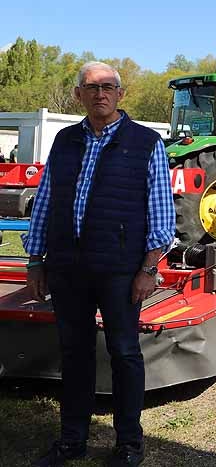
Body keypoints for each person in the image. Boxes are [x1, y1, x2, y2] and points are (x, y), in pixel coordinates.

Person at [24, 61, 175, 467]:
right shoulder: (64, 141)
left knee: (124, 352)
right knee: (74, 353)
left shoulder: (145, 143)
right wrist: (35, 260)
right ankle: (71, 440)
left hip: (120, 270)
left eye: (108, 87)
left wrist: (148, 269)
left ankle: (128, 443)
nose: (100, 94)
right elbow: (46, 202)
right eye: (91, 88)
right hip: (67, 267)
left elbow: (161, 214)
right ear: (78, 95)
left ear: (120, 94)